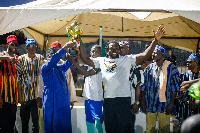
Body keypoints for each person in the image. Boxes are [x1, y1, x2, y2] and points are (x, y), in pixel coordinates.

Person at [79, 25, 165, 133]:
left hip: (123, 100)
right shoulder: (101, 61)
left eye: (116, 48)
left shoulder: (127, 59)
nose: (114, 50)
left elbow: (144, 55)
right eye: (111, 48)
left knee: (125, 129)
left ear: (119, 50)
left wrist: (155, 40)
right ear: (107, 50)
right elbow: (85, 58)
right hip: (109, 101)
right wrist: (79, 40)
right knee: (110, 128)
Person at [37, 41, 77, 133]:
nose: (52, 58)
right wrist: (65, 47)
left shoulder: (60, 67)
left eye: (53, 55)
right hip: (51, 102)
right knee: (52, 126)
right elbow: (53, 60)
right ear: (47, 58)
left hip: (63, 102)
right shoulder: (45, 68)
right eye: (50, 56)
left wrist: (74, 53)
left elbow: (69, 62)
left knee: (64, 126)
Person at [140, 45, 179, 133]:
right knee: (149, 129)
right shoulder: (148, 69)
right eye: (153, 53)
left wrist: (171, 104)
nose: (154, 54)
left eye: (157, 53)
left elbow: (175, 88)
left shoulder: (171, 68)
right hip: (150, 104)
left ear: (163, 55)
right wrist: (142, 102)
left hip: (164, 105)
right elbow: (144, 87)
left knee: (165, 129)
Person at [72, 45, 103, 133]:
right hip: (88, 97)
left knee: (97, 122)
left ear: (101, 53)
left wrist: (74, 64)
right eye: (93, 51)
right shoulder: (90, 61)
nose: (94, 53)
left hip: (96, 97)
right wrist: (77, 52)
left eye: (97, 52)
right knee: (89, 121)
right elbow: (80, 61)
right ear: (90, 52)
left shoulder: (100, 63)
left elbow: (87, 73)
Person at [16, 39, 44, 133]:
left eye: (35, 45)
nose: (34, 47)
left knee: (36, 124)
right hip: (25, 96)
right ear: (26, 47)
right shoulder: (21, 59)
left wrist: (41, 96)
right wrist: (20, 98)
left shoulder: (40, 58)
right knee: (25, 123)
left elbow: (43, 77)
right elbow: (18, 79)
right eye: (31, 45)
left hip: (37, 97)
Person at [119, 40, 144, 133]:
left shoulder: (135, 64)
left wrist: (136, 103)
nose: (120, 50)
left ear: (128, 49)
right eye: (119, 48)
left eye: (122, 48)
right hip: (117, 102)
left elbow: (138, 85)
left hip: (130, 102)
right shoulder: (114, 63)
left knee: (129, 127)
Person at [0, 35, 20, 133]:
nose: (15, 47)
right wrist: (7, 58)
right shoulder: (2, 55)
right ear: (7, 44)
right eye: (13, 44)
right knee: (3, 124)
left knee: (11, 124)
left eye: (16, 45)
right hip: (3, 97)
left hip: (14, 97)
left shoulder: (17, 58)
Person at [176, 53, 200, 132]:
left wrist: (195, 103)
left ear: (196, 62)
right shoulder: (183, 76)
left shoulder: (199, 75)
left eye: (190, 61)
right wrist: (189, 102)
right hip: (185, 109)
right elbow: (179, 93)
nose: (187, 63)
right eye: (187, 61)